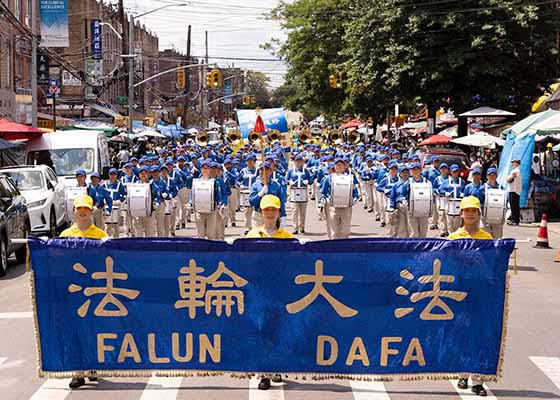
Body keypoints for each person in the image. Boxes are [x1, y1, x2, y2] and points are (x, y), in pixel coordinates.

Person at [60, 194, 107, 389]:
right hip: (73, 290)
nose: (82, 213)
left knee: (93, 329)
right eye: (79, 209)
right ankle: (78, 373)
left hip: (95, 289)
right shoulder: (65, 236)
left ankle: (93, 366)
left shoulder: (100, 236)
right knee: (75, 330)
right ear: (74, 212)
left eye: (86, 209)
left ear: (91, 212)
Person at [246, 194, 291, 390]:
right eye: (267, 210)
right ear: (261, 212)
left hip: (279, 291)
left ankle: (276, 367)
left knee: (279, 330)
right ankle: (264, 372)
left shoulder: (288, 238)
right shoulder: (252, 236)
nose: (270, 213)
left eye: (273, 210)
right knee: (261, 330)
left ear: (279, 212)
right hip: (259, 292)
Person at [448, 196, 492, 397]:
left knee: (480, 334)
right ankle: (463, 373)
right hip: (459, 292)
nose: (471, 214)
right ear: (461, 214)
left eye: (474, 211)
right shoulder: (454, 238)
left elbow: (492, 265)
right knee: (463, 333)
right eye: (467, 211)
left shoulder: (487, 238)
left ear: (479, 214)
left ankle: (478, 380)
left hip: (480, 291)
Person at [286, 154, 312, 234]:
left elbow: (310, 179)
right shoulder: (291, 171)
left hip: (303, 191)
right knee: (294, 211)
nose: (298, 162)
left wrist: (308, 181)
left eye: (300, 161)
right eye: (297, 161)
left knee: (303, 212)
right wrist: (289, 182)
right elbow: (286, 179)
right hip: (294, 191)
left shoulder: (306, 170)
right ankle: (295, 228)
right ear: (294, 162)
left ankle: (302, 227)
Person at [103, 168, 127, 238]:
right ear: (109, 175)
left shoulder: (119, 184)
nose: (113, 176)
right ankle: (107, 239)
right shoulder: (105, 184)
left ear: (116, 175)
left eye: (114, 174)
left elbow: (125, 194)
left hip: (117, 204)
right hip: (107, 205)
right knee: (107, 224)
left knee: (116, 224)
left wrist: (120, 200)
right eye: (111, 174)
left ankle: (116, 239)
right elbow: (101, 193)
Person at [507, 158, 522, 226]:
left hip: (514, 190)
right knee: (514, 205)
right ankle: (515, 219)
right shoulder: (516, 171)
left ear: (517, 163)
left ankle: (514, 220)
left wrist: (509, 179)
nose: (512, 164)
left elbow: (509, 179)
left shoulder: (516, 171)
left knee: (514, 206)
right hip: (514, 189)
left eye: (514, 162)